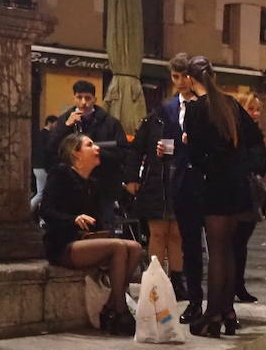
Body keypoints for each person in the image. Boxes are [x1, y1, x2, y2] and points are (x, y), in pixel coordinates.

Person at [182, 56, 260, 336]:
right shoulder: (231, 104)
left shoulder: (195, 110)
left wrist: (190, 144)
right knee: (229, 251)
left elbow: (196, 157)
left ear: (191, 80)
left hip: (215, 185)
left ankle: (212, 314)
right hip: (238, 186)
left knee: (216, 253)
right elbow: (256, 142)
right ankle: (226, 312)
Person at [41, 134, 142, 335]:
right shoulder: (60, 173)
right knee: (118, 247)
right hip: (63, 243)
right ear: (75, 153)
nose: (97, 148)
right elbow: (46, 210)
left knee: (136, 247)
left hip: (85, 242)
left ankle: (111, 306)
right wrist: (73, 219)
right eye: (89, 145)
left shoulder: (92, 183)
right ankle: (120, 311)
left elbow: (97, 219)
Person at [125, 86, 186, 302]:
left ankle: (178, 281)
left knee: (178, 234)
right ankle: (155, 280)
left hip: (180, 182)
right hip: (155, 182)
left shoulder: (189, 119)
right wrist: (132, 178)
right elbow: (136, 149)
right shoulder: (153, 120)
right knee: (158, 234)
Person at [162, 54, 206, 322]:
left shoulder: (206, 105)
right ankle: (194, 300)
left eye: (183, 77)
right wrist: (165, 148)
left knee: (212, 244)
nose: (179, 82)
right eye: (175, 77)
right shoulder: (168, 109)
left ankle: (220, 302)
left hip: (207, 179)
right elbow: (170, 144)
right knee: (189, 244)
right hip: (182, 181)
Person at [47, 80, 127, 225]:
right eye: (79, 97)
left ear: (95, 99)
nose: (83, 102)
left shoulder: (109, 122)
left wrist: (94, 151)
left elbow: (122, 152)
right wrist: (66, 127)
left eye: (88, 98)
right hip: (71, 185)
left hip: (103, 185)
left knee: (103, 226)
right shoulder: (65, 120)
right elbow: (52, 149)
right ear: (74, 98)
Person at [232, 92, 266, 304]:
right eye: (251, 109)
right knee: (234, 242)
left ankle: (238, 284)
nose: (255, 113)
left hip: (252, 192)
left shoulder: (254, 132)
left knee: (241, 243)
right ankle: (233, 284)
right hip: (239, 191)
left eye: (258, 110)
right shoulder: (239, 132)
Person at [31, 114, 56, 211]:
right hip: (43, 167)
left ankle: (42, 219)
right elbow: (47, 152)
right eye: (55, 124)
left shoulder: (39, 134)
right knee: (41, 194)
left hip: (37, 166)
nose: (56, 127)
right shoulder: (47, 135)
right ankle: (27, 210)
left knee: (42, 194)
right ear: (50, 123)